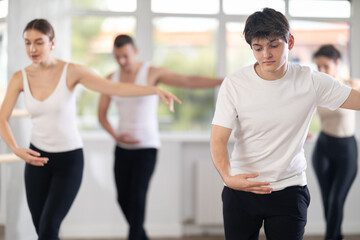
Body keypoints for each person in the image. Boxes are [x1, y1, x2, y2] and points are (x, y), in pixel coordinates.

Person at [0, 19, 180, 240]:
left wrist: (153, 89)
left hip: (68, 161)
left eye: (39, 42)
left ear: (52, 42)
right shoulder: (20, 77)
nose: (32, 49)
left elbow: (114, 87)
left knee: (48, 227)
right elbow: (2, 118)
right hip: (36, 159)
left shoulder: (72, 71)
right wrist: (15, 148)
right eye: (27, 43)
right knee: (42, 230)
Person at [210, 8, 360, 240]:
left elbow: (356, 100)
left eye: (274, 45)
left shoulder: (311, 81)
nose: (266, 54)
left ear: (289, 41)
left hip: (289, 190)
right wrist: (228, 177)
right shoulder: (234, 84)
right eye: (258, 48)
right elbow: (218, 139)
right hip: (241, 189)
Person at [97, 34, 222, 240]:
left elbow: (187, 80)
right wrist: (117, 136)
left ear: (135, 51)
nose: (122, 62)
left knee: (137, 199)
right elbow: (101, 115)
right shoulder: (112, 79)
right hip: (122, 148)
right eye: (117, 57)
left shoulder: (151, 73)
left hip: (147, 148)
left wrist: (219, 81)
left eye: (125, 56)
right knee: (122, 199)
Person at [311, 44, 358, 240]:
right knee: (327, 203)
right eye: (318, 67)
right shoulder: (317, 91)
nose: (321, 71)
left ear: (337, 63)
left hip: (346, 150)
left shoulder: (352, 84)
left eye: (326, 66)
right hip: (323, 148)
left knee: (336, 201)